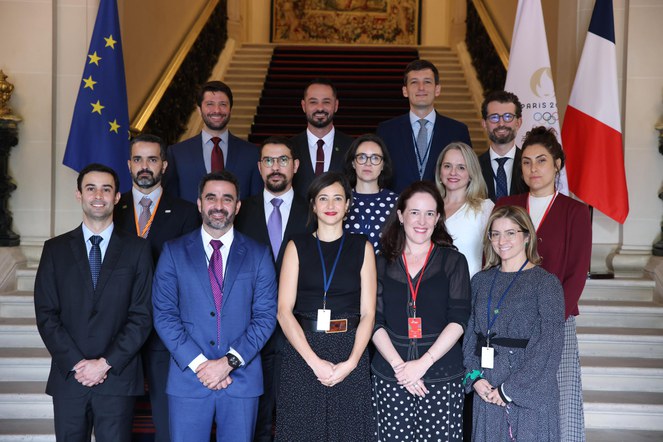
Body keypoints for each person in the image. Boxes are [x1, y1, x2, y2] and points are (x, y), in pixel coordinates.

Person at [152, 171, 278, 442]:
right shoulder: (173, 251)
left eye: (227, 199)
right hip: (188, 378)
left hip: (241, 379)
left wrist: (228, 363)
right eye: (211, 198)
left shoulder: (258, 253)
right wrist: (201, 365)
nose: (219, 206)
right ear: (199, 203)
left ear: (238, 206)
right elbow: (164, 314)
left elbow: (266, 317)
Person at [34, 163, 153, 442]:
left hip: (117, 377)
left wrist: (105, 363)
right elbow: (46, 314)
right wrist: (77, 363)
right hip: (69, 378)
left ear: (117, 197)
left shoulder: (138, 250)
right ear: (79, 195)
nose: (98, 195)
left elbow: (142, 314)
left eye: (106, 189)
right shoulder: (55, 250)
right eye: (91, 188)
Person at [495, 126, 591, 442]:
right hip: (511, 321)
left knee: (558, 396)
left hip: (556, 321)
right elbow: (495, 261)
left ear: (557, 164)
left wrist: (550, 320)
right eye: (526, 162)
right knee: (508, 392)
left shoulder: (575, 211)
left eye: (542, 160)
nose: (533, 169)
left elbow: (577, 272)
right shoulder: (506, 204)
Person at [275, 172, 376, 441]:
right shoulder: (297, 245)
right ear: (313, 204)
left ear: (347, 205)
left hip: (348, 348)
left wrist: (352, 362)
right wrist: (313, 361)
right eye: (323, 198)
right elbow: (284, 311)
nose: (330, 205)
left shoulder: (362, 246)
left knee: (349, 432)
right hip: (303, 350)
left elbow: (368, 313)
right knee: (301, 431)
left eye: (337, 198)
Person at [113, 133, 200, 442]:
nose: (144, 167)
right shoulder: (111, 208)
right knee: (117, 419)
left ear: (164, 164)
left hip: (167, 331)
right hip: (119, 330)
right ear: (128, 164)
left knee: (167, 417)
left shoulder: (187, 212)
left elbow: (192, 276)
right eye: (138, 159)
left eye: (152, 159)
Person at [372, 180, 471, 441]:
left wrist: (422, 365)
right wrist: (401, 368)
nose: (422, 221)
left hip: (441, 374)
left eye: (430, 213)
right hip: (391, 373)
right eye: (414, 212)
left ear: (438, 218)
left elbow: (459, 319)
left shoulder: (453, 261)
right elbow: (373, 321)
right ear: (401, 215)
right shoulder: (380, 261)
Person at [462, 205, 565, 441]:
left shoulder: (546, 284)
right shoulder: (480, 280)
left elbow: (549, 347)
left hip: (527, 390)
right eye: (495, 233)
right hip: (486, 387)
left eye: (510, 233)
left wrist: (509, 390)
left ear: (527, 236)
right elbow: (469, 335)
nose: (502, 240)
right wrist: (475, 378)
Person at [234, 136, 311, 442]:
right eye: (268, 160)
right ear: (259, 167)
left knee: (298, 416)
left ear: (295, 166)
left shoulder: (314, 211)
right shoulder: (240, 211)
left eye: (282, 160)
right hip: (251, 328)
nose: (275, 167)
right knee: (257, 417)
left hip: (301, 328)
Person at [377, 59, 472, 193]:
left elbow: (469, 175)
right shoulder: (386, 130)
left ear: (437, 89)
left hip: (444, 210)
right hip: (397, 209)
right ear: (405, 91)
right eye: (414, 82)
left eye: (427, 82)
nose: (421, 88)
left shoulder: (458, 131)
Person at [164, 80, 263, 203]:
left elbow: (256, 203)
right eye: (210, 104)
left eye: (223, 104)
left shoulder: (252, 153)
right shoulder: (177, 154)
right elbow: (172, 203)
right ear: (199, 110)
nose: (217, 110)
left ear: (230, 109)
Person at [435, 142, 494, 278]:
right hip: (430, 291)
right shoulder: (429, 208)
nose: (453, 172)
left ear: (472, 173)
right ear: (440, 171)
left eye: (461, 167)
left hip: (469, 292)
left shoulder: (484, 208)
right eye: (447, 166)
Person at [290, 78, 354, 199]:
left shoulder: (353, 147)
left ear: (336, 105)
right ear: (304, 106)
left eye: (326, 102)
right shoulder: (289, 148)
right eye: (313, 102)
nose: (320, 108)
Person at [343, 133, 397, 253]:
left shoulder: (397, 202)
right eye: (362, 157)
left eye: (375, 158)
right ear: (353, 163)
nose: (368, 163)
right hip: (346, 270)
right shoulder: (340, 199)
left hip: (385, 270)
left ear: (383, 165)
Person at [478, 90, 529, 202]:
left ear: (518, 122)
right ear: (484, 123)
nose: (501, 124)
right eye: (494, 117)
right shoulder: (473, 167)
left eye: (508, 117)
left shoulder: (530, 166)